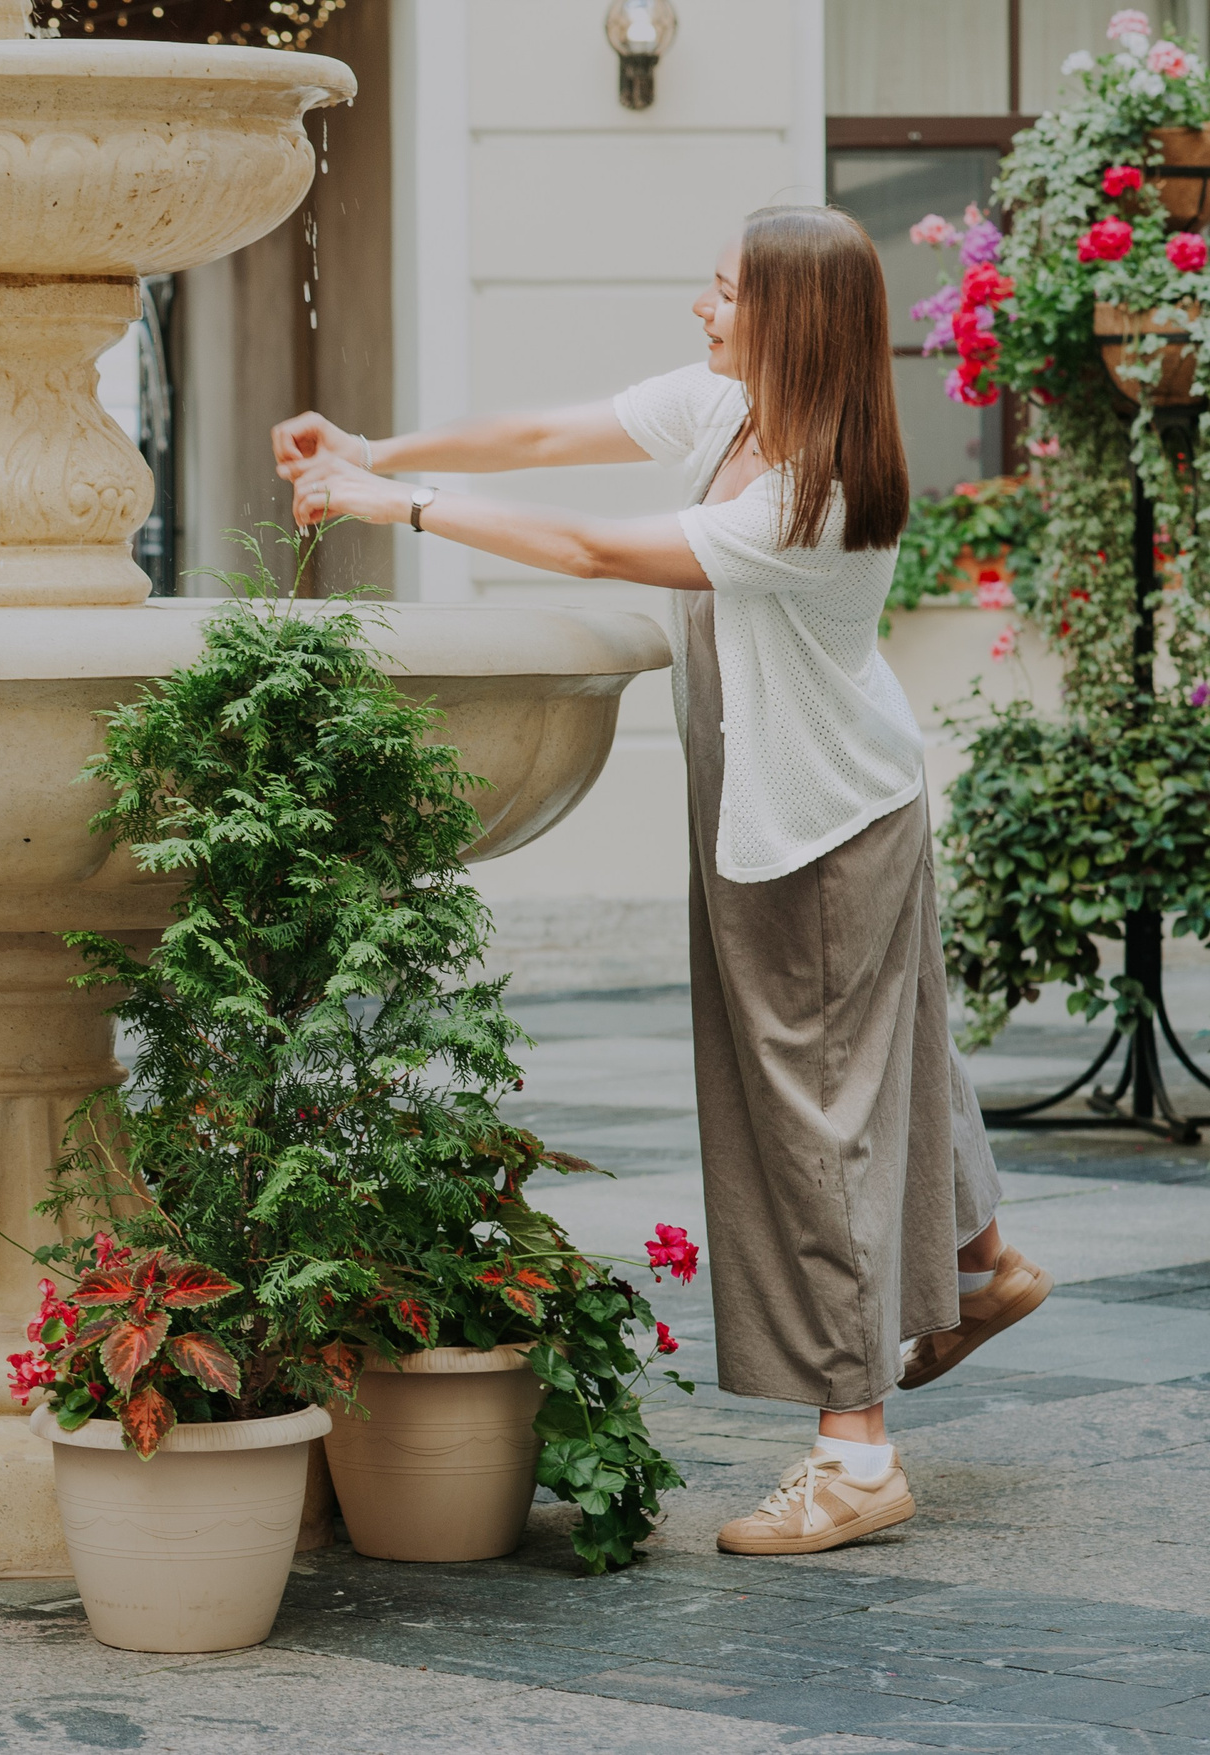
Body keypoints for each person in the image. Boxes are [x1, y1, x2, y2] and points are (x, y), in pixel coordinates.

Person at [271, 204, 1052, 1557]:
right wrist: (378, 445)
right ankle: (979, 1263)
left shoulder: (805, 490)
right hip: (852, 793)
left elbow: (586, 550)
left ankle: (854, 1451)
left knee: (814, 1118)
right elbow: (541, 438)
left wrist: (392, 506)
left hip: (808, 830)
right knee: (881, 1057)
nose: (703, 304)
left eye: (725, 288)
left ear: (786, 316)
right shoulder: (734, 413)